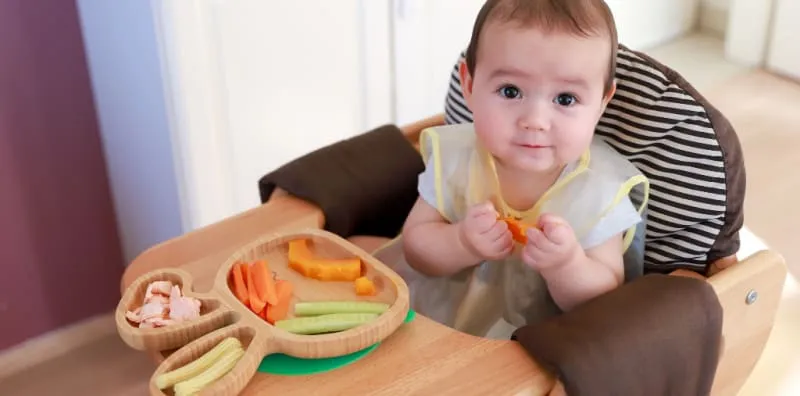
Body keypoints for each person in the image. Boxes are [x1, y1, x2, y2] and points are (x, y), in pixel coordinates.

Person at [374, 0, 650, 339]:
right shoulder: (458, 159)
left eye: (565, 99)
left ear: (602, 103)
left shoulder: (599, 193)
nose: (534, 121)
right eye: (511, 91)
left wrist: (567, 267)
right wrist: (461, 242)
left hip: (533, 345)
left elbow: (605, 296)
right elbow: (416, 246)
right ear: (470, 87)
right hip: (438, 321)